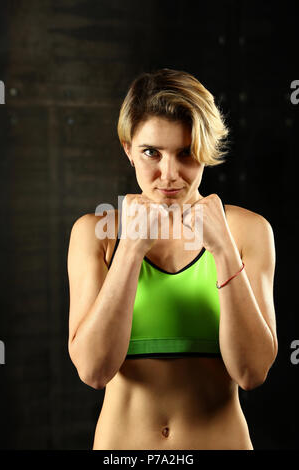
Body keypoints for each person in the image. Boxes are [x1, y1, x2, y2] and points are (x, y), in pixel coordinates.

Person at [67, 68, 277, 450]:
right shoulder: (94, 234)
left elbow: (252, 373)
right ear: (128, 149)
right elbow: (94, 371)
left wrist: (224, 250)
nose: (169, 174)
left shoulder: (249, 231)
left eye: (185, 153)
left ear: (206, 151)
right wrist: (131, 249)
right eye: (152, 152)